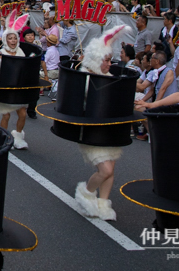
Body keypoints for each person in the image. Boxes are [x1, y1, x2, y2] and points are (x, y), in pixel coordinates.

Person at [72, 27, 129, 221]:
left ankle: (104, 204)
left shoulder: (109, 77)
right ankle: (86, 193)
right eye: (106, 60)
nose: (109, 64)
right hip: (91, 131)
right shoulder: (83, 78)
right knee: (106, 169)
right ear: (96, 60)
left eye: (110, 60)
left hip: (110, 129)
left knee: (110, 168)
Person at [0, 13, 32, 150]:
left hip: (19, 89)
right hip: (6, 88)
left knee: (22, 113)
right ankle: (3, 137)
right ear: (5, 39)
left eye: (15, 38)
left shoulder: (21, 52)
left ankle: (18, 137)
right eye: (10, 38)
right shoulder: (1, 53)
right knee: (6, 115)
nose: (13, 41)